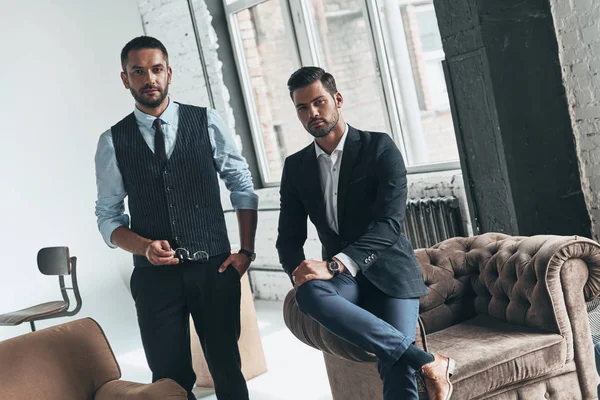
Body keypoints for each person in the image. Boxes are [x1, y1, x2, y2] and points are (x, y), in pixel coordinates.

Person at [276, 66, 455, 400]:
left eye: (319, 102)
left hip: (391, 274)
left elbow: (389, 225)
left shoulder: (379, 148)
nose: (313, 113)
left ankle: (413, 360)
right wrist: (297, 272)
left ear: (337, 99)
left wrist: (332, 266)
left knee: (394, 362)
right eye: (302, 107)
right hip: (346, 284)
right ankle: (429, 361)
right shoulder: (296, 167)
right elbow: (288, 237)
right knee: (309, 294)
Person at [94, 36, 258, 400]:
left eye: (155, 69)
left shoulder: (206, 121)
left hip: (214, 269)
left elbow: (241, 184)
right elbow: (107, 216)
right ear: (125, 79)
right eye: (138, 71)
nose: (148, 78)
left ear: (169, 73)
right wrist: (143, 246)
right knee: (168, 380)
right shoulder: (112, 141)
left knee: (228, 371)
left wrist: (246, 250)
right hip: (154, 280)